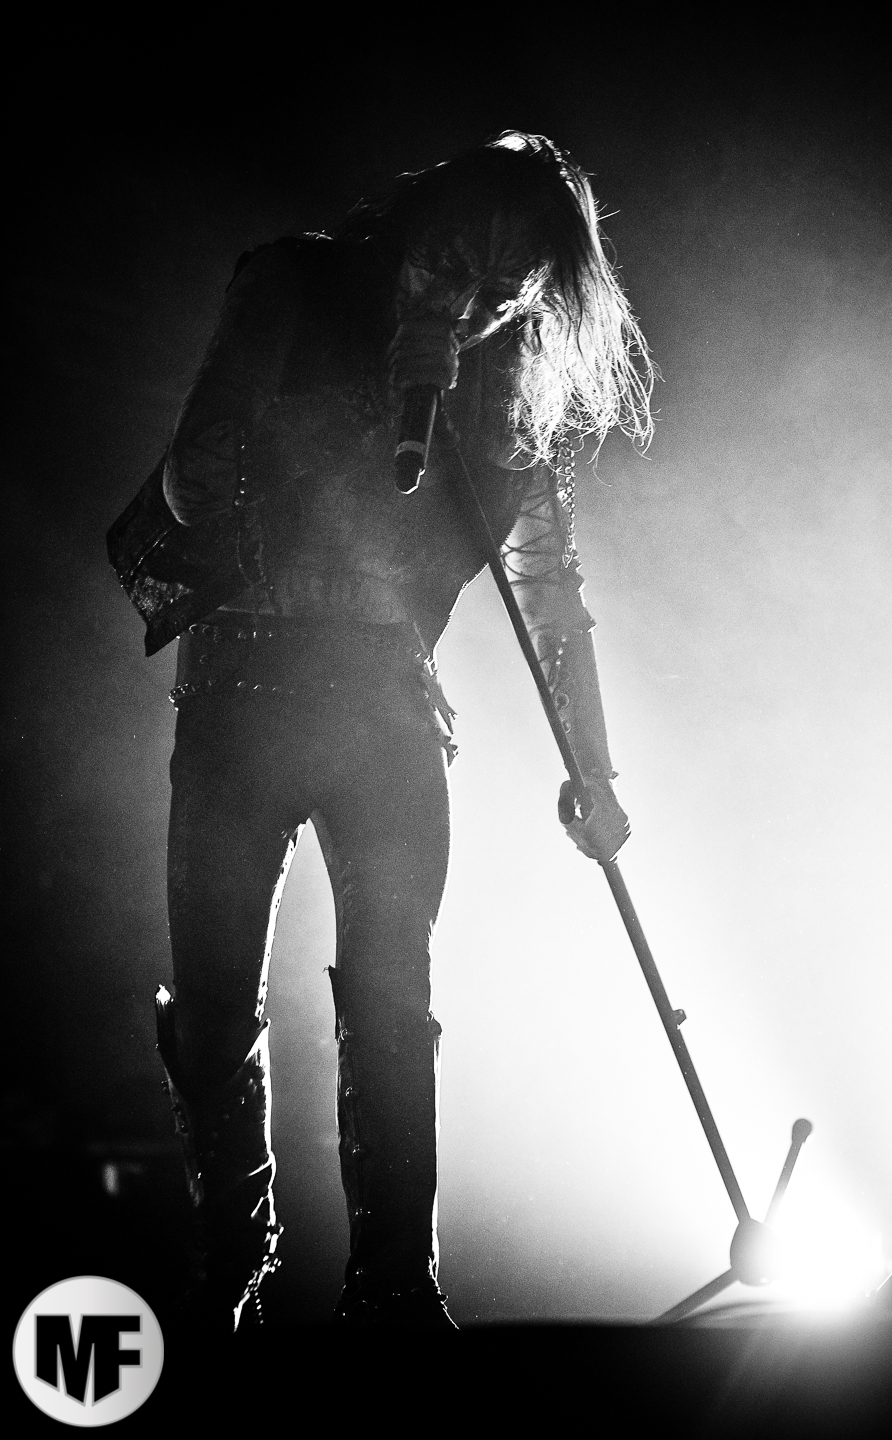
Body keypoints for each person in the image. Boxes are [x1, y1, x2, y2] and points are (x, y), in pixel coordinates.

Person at [107, 130, 655, 1333]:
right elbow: (194, 475)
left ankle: (398, 1291)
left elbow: (548, 591)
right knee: (214, 1003)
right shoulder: (292, 285)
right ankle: (231, 1271)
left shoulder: (508, 397)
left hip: (386, 704)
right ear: (416, 224)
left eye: (507, 285)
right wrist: (368, 413)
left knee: (393, 1005)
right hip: (243, 684)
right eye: (457, 259)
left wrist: (594, 768)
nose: (473, 298)